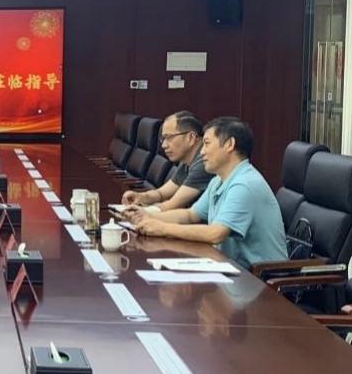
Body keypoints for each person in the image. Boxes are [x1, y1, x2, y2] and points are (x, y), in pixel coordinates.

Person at [133, 117, 287, 269]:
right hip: (232, 268)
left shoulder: (244, 184)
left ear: (229, 144)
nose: (202, 152)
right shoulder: (218, 180)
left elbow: (215, 234)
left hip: (261, 278)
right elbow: (190, 215)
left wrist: (162, 228)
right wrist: (145, 216)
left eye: (206, 144)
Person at [122, 111, 210, 211]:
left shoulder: (204, 161)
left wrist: (138, 212)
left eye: (169, 138)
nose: (164, 145)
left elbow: (172, 204)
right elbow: (161, 194)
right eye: (163, 139)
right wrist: (141, 196)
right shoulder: (187, 159)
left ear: (191, 138)